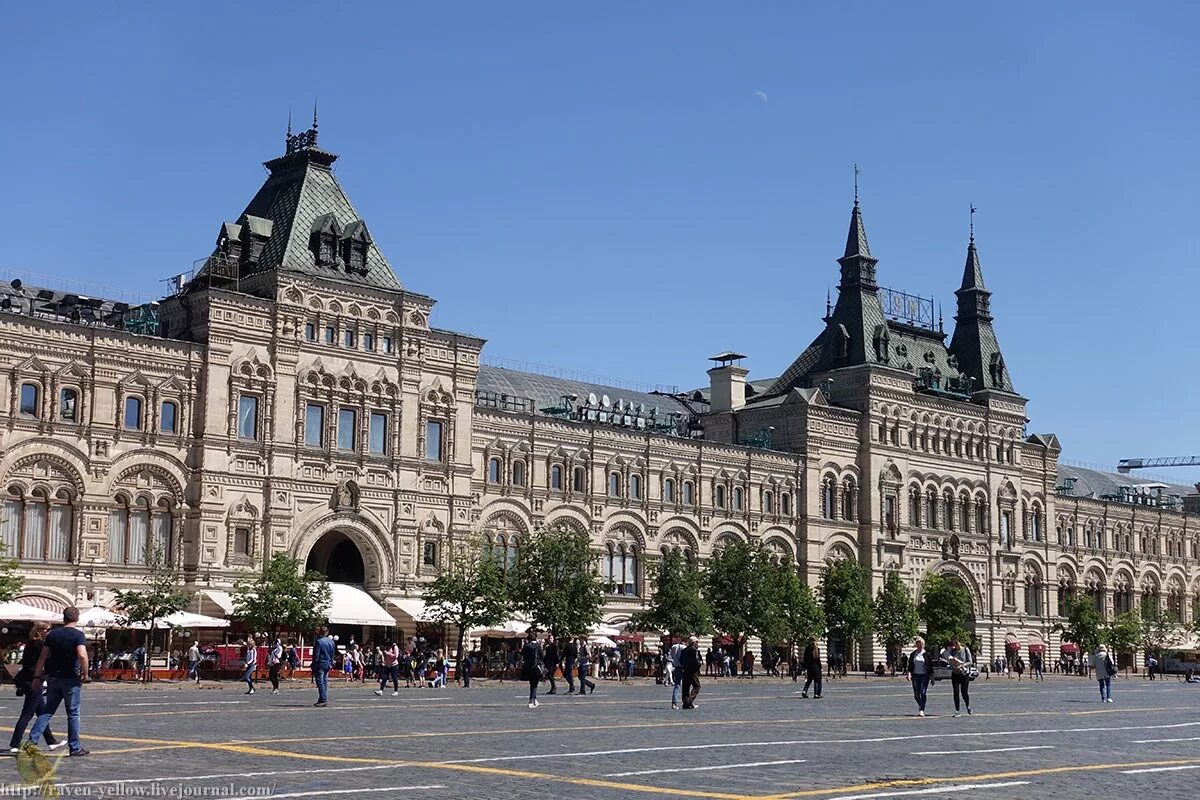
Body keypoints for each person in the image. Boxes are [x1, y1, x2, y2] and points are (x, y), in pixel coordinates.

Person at [26, 606, 89, 756]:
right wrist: (85, 673)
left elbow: (43, 657)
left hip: (53, 677)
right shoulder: (78, 635)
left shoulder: (52, 635)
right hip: (70, 679)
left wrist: (36, 677)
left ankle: (31, 742)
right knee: (73, 714)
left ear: (63, 617)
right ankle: (74, 747)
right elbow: (82, 655)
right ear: (77, 618)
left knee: (47, 711)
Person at [9, 622, 63, 754]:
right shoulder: (38, 645)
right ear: (41, 630)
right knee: (27, 714)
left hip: (29, 679)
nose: (49, 632)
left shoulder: (31, 643)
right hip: (34, 681)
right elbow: (47, 658)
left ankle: (51, 741)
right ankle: (15, 744)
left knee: (42, 713)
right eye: (48, 629)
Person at [941, 636, 975, 717]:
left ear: (960, 642)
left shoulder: (965, 650)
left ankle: (968, 706)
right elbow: (950, 662)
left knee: (964, 692)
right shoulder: (952, 651)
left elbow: (970, 662)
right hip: (955, 674)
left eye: (956, 643)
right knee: (956, 692)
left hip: (964, 674)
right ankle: (957, 710)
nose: (955, 645)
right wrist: (952, 666)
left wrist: (962, 665)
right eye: (954, 643)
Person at [905, 636, 931, 717]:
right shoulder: (913, 654)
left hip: (924, 675)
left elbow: (930, 666)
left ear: (923, 645)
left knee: (922, 692)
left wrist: (932, 677)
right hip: (915, 675)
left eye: (920, 644)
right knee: (916, 694)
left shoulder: (927, 654)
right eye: (918, 644)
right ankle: (920, 704)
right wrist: (909, 674)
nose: (919, 646)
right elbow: (910, 665)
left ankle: (922, 709)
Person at [311, 626, 335, 707]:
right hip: (328, 663)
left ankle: (323, 699)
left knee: (320, 682)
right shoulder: (331, 642)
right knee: (324, 682)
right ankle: (322, 698)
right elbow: (332, 654)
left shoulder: (319, 642)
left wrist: (314, 664)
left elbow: (316, 656)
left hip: (320, 663)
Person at [521, 630, 543, 709]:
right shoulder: (538, 646)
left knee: (532, 683)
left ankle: (535, 699)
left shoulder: (526, 646)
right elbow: (542, 656)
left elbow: (522, 654)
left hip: (528, 667)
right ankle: (531, 700)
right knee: (535, 684)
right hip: (536, 667)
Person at [680, 636, 701, 709]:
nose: (697, 644)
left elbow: (681, 661)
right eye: (697, 642)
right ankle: (689, 701)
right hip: (693, 671)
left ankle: (685, 703)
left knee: (685, 687)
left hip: (685, 670)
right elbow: (697, 661)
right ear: (694, 642)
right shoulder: (694, 650)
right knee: (697, 686)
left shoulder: (684, 650)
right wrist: (698, 667)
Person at [668, 637, 686, 709]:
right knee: (685, 686)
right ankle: (686, 702)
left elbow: (671, 656)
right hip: (684, 667)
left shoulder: (674, 646)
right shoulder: (685, 647)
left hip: (676, 667)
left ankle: (674, 703)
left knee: (677, 685)